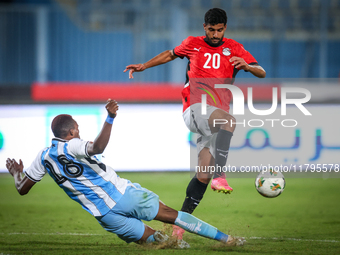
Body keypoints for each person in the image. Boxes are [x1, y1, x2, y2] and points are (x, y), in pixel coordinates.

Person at [6, 99, 245, 248]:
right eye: (77, 128)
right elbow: (97, 147)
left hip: (105, 216)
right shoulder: (74, 144)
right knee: (173, 216)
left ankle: (182, 247)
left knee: (162, 244)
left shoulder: (42, 156)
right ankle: (227, 240)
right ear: (72, 130)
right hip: (124, 195)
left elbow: (22, 188)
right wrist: (110, 118)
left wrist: (17, 174)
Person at [124, 8, 266, 238]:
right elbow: (170, 54)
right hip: (195, 110)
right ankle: (221, 174)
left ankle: (178, 228)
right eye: (212, 30)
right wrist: (143, 66)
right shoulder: (193, 43)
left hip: (214, 119)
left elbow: (262, 72)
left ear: (225, 28)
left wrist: (248, 67)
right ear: (204, 27)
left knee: (202, 175)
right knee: (229, 121)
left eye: (220, 30)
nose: (216, 35)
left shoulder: (235, 48)